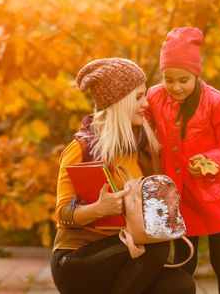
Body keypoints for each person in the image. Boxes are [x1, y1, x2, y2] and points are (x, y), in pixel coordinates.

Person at [50, 58, 196, 294]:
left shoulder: (144, 147)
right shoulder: (82, 149)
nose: (146, 103)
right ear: (119, 103)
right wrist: (100, 208)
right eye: (138, 97)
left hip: (125, 258)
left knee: (180, 285)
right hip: (77, 261)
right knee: (153, 248)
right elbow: (62, 215)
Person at [146, 28, 220, 294]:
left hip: (216, 194)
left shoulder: (215, 102)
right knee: (184, 259)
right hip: (180, 196)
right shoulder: (155, 97)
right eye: (169, 79)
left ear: (196, 75)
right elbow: (142, 128)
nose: (176, 87)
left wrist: (214, 157)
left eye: (184, 80)